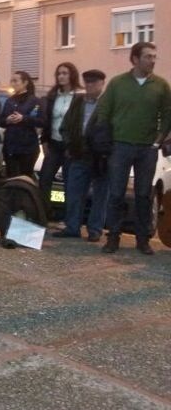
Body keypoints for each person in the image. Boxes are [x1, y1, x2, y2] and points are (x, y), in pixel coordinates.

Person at [97, 42, 171, 255]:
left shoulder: (161, 85)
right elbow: (104, 111)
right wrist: (108, 139)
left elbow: (168, 114)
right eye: (148, 56)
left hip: (147, 149)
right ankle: (113, 237)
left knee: (144, 195)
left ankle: (143, 239)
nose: (153, 61)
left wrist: (158, 140)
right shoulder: (118, 83)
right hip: (120, 146)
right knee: (116, 193)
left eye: (154, 56)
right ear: (135, 59)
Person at [54, 69, 109, 241]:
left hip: (101, 156)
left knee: (100, 194)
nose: (90, 86)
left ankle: (95, 230)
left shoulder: (108, 102)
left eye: (94, 82)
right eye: (87, 82)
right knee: (74, 192)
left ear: (102, 83)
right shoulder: (78, 101)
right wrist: (69, 144)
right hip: (79, 152)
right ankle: (72, 227)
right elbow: (65, 126)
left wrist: (108, 149)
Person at [39, 63, 80, 204]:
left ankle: (68, 215)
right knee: (44, 179)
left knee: (70, 183)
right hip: (54, 144)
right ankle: (45, 212)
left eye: (65, 73)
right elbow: (47, 120)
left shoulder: (79, 96)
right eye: (59, 73)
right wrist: (44, 140)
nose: (61, 76)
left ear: (72, 75)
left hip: (70, 146)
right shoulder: (52, 96)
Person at [0, 71, 43, 178]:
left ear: (25, 83)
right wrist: (7, 120)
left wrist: (23, 118)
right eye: (12, 81)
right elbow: (0, 120)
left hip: (28, 148)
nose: (13, 84)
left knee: (24, 179)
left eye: (16, 81)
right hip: (10, 147)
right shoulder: (9, 100)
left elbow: (42, 121)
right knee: (11, 178)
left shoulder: (35, 101)